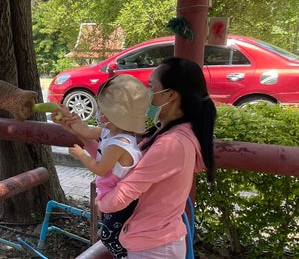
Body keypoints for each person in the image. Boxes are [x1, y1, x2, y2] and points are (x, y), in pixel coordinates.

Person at [55, 57, 217, 258]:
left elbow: (123, 195)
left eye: (151, 87)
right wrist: (79, 132)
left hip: (155, 248)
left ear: (171, 95)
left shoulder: (172, 144)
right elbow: (114, 159)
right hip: (151, 241)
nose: (146, 95)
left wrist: (102, 203)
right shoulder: (166, 131)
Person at [63, 74, 151, 259]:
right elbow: (85, 131)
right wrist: (70, 121)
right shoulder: (109, 131)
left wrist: (81, 156)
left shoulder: (118, 145)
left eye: (102, 110)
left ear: (115, 116)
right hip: (110, 195)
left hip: (121, 201)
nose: (98, 113)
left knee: (110, 237)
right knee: (109, 234)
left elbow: (100, 169)